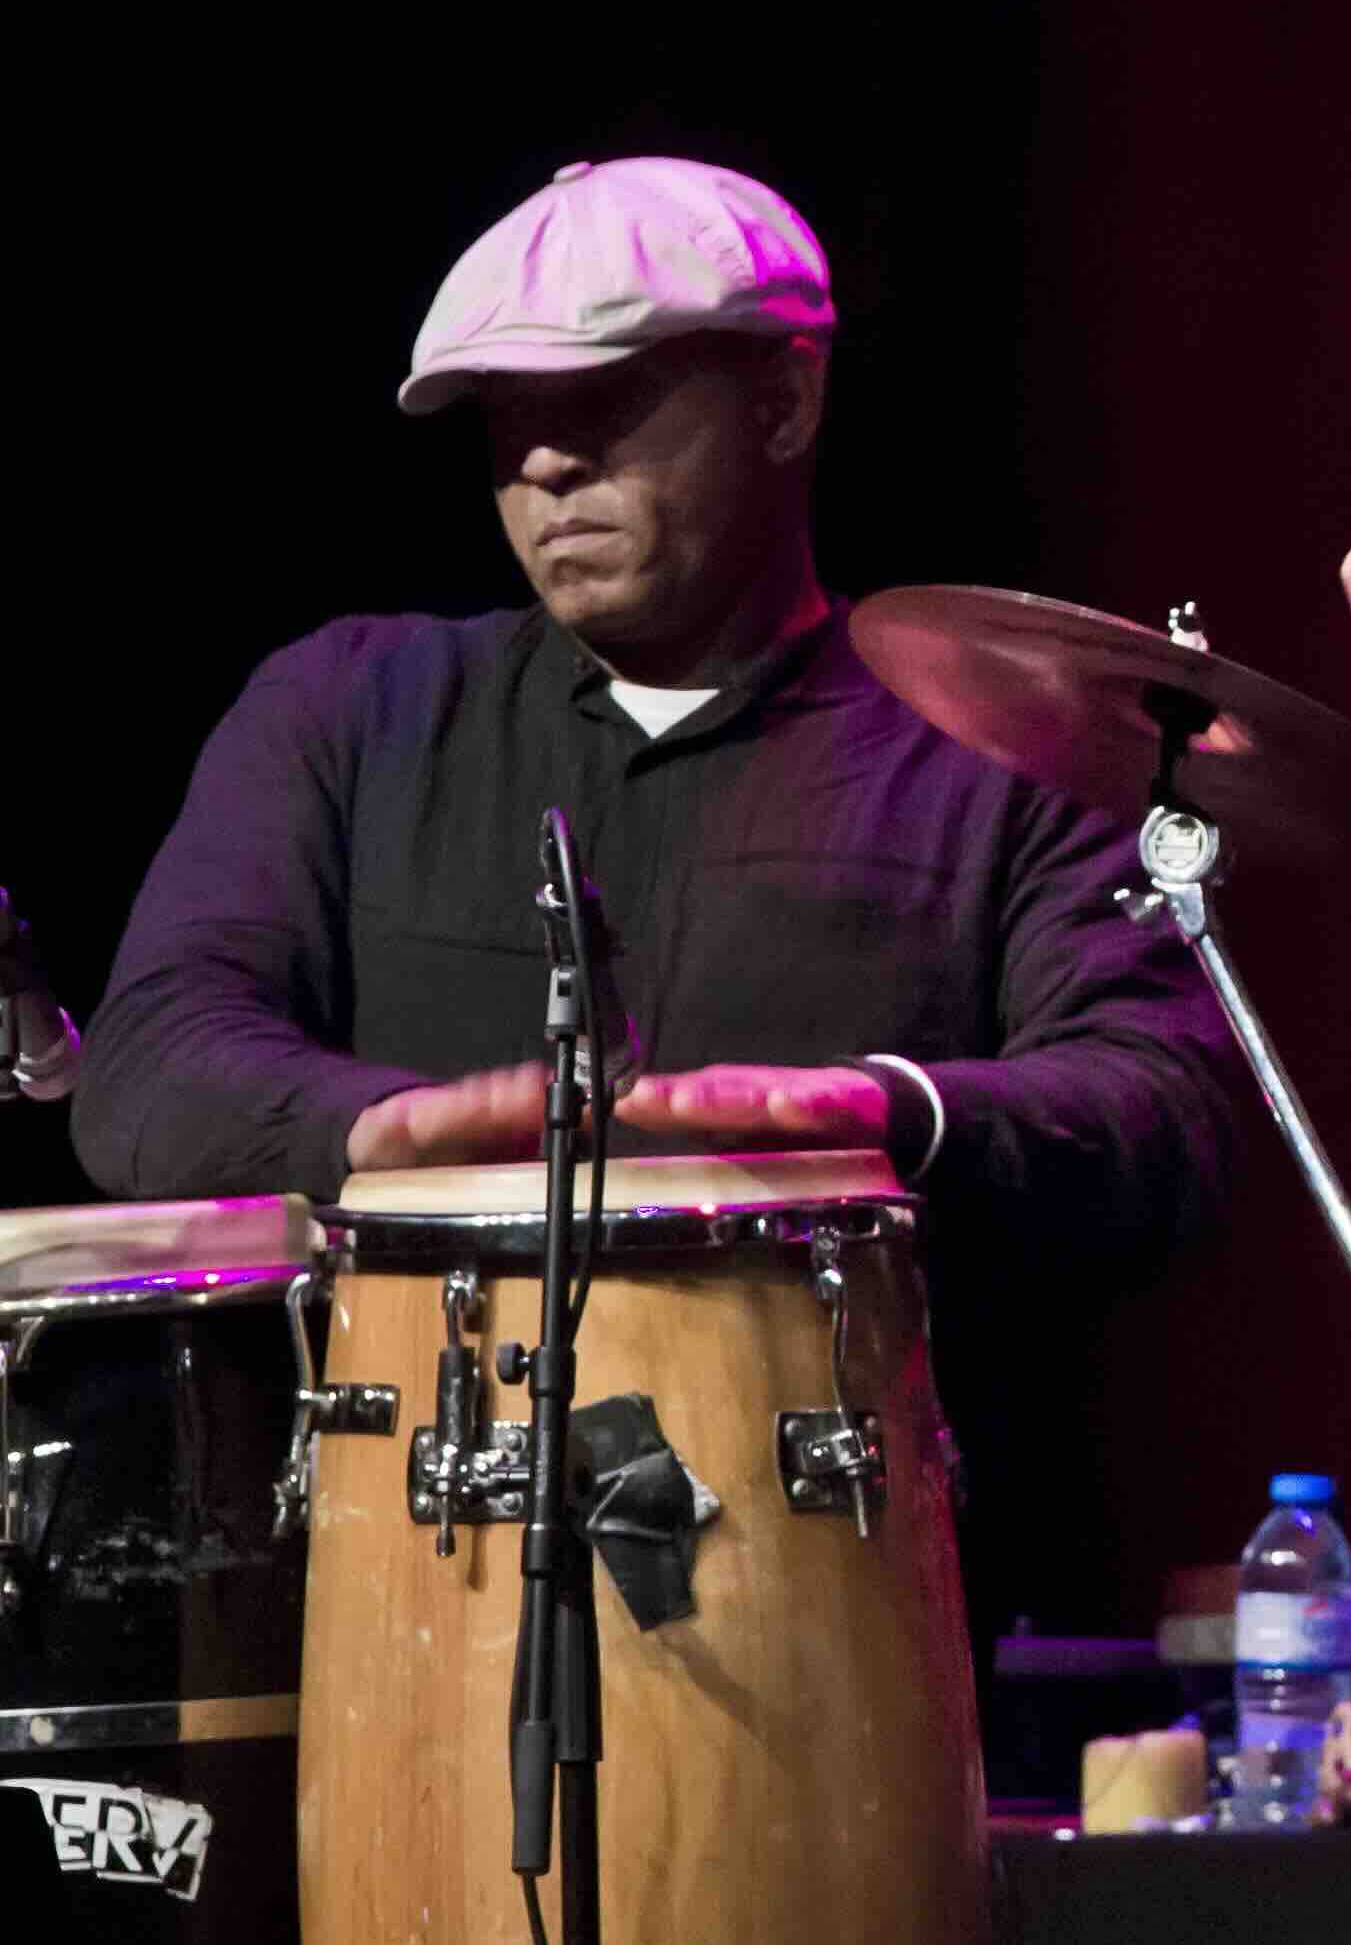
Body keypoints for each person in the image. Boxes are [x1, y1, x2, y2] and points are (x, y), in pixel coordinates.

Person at [75, 155, 1237, 1638]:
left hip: (849, 1607)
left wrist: (874, 1113)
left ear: (785, 403)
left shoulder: (1003, 753)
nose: (544, 464)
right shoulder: (351, 710)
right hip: (407, 1601)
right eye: (506, 415)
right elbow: (149, 1066)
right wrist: (385, 1130)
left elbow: (1167, 1109)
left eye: (604, 401)